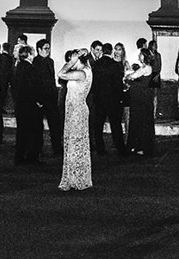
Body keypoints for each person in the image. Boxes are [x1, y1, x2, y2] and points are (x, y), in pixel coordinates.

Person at [58, 49, 93, 191]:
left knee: (75, 142)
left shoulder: (81, 73)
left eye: (71, 59)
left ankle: (76, 178)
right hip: (74, 109)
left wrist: (71, 61)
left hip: (77, 110)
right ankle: (75, 176)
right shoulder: (86, 70)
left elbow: (61, 74)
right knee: (75, 143)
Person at [89, 40, 127, 156]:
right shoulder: (115, 65)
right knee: (115, 125)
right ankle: (120, 147)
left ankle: (100, 148)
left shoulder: (95, 65)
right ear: (110, 52)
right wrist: (120, 98)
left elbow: (93, 83)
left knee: (98, 125)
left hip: (99, 99)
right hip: (113, 100)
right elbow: (118, 84)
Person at [13, 45, 43, 165]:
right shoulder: (29, 68)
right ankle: (30, 157)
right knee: (33, 132)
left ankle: (20, 157)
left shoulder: (19, 67)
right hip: (29, 106)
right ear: (29, 54)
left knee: (22, 132)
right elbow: (31, 88)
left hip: (21, 105)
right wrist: (38, 101)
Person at [125, 48, 156, 156]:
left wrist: (128, 74)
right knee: (138, 121)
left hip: (142, 99)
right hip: (139, 98)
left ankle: (142, 146)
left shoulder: (146, 68)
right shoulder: (143, 68)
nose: (139, 56)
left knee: (141, 122)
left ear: (145, 56)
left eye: (141, 55)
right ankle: (137, 145)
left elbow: (131, 76)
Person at [33, 39, 62, 156]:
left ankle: (57, 148)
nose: (48, 50)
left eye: (49, 48)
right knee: (37, 127)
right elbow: (35, 82)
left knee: (55, 124)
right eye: (45, 48)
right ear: (39, 50)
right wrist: (38, 99)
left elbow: (51, 79)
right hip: (40, 99)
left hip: (51, 98)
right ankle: (37, 150)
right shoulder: (35, 62)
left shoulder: (50, 61)